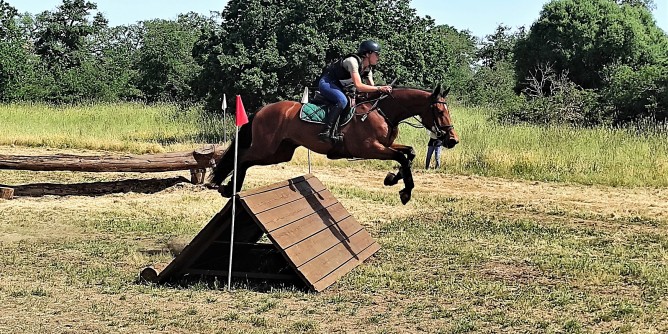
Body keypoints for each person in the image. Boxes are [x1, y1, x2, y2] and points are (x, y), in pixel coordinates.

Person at [317, 40, 393, 143]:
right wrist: (380, 88)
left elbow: (372, 88)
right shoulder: (352, 61)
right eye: (376, 54)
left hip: (341, 87)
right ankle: (326, 132)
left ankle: (341, 131)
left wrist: (384, 91)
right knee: (342, 101)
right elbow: (359, 85)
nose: (378, 57)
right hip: (328, 83)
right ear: (367, 54)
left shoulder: (367, 69)